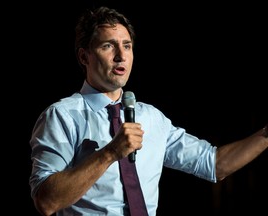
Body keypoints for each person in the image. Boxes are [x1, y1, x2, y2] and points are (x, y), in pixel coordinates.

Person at [29, 6, 268, 216]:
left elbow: (214, 164)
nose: (121, 56)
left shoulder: (151, 118)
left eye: (127, 46)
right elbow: (46, 201)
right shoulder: (62, 116)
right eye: (108, 46)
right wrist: (110, 153)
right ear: (84, 56)